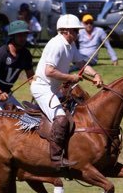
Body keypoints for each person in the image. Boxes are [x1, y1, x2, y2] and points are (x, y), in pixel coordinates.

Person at [30, 14, 103, 169]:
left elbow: (82, 64)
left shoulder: (71, 45)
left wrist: (95, 75)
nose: (78, 34)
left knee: (78, 110)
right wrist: (71, 77)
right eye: (75, 31)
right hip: (42, 88)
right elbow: (49, 71)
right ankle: (56, 158)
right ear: (66, 31)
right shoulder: (57, 44)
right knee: (61, 119)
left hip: (54, 89)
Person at [0, 20, 34, 114]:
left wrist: (38, 91)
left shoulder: (26, 54)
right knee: (0, 120)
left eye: (25, 35)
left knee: (25, 119)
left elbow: (31, 77)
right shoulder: (1, 53)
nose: (23, 38)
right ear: (13, 36)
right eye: (20, 35)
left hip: (7, 94)